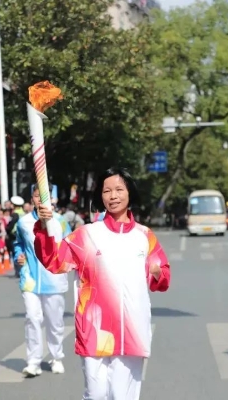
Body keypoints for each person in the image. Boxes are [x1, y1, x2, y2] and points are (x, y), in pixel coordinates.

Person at [34, 168, 171, 399]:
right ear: (101, 196)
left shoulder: (144, 236)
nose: (113, 196)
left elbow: (163, 278)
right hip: (94, 328)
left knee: (123, 395)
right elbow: (55, 261)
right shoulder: (86, 235)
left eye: (119, 190)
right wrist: (43, 227)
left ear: (129, 194)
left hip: (132, 329)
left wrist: (157, 272)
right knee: (96, 394)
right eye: (107, 191)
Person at [14, 184, 71, 377]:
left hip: (54, 279)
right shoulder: (23, 223)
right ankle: (34, 361)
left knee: (54, 321)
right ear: (32, 199)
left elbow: (70, 245)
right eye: (38, 196)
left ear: (52, 200)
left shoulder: (61, 222)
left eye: (44, 197)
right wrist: (19, 255)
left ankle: (56, 357)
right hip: (30, 279)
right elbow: (18, 244)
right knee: (32, 318)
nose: (41, 200)